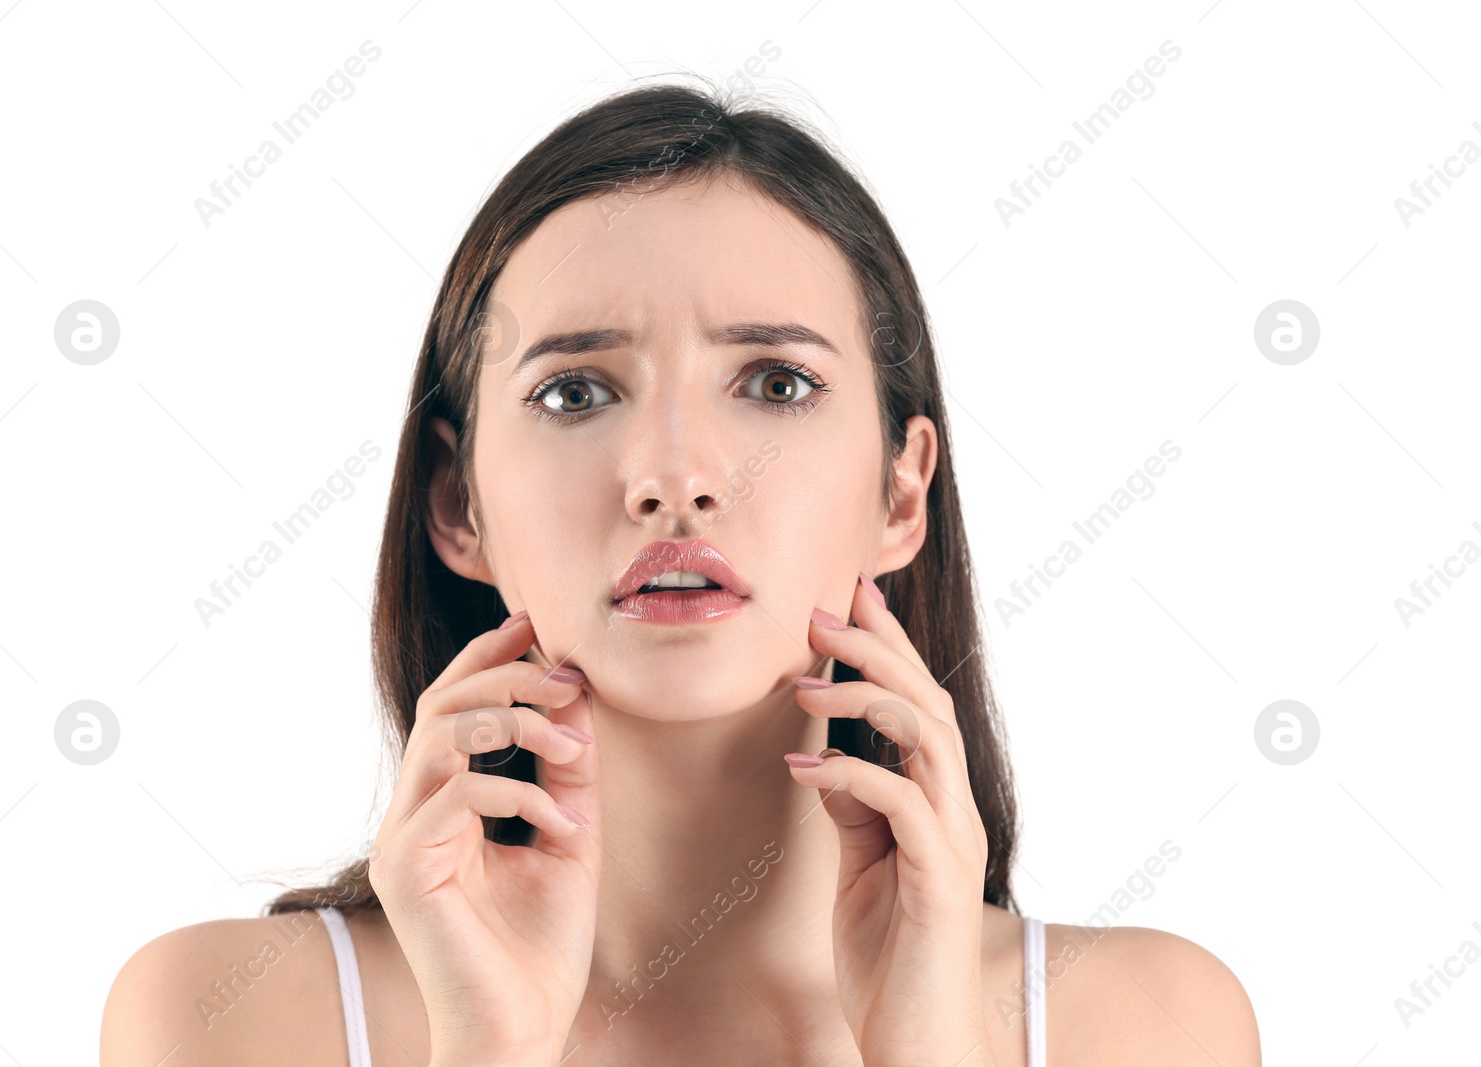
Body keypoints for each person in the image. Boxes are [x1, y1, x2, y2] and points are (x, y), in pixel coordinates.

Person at [102, 79, 1260, 1066]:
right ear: (459, 504)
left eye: (774, 382)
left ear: (901, 492)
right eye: (575, 391)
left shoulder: (1145, 1024)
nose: (674, 478)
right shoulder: (230, 1018)